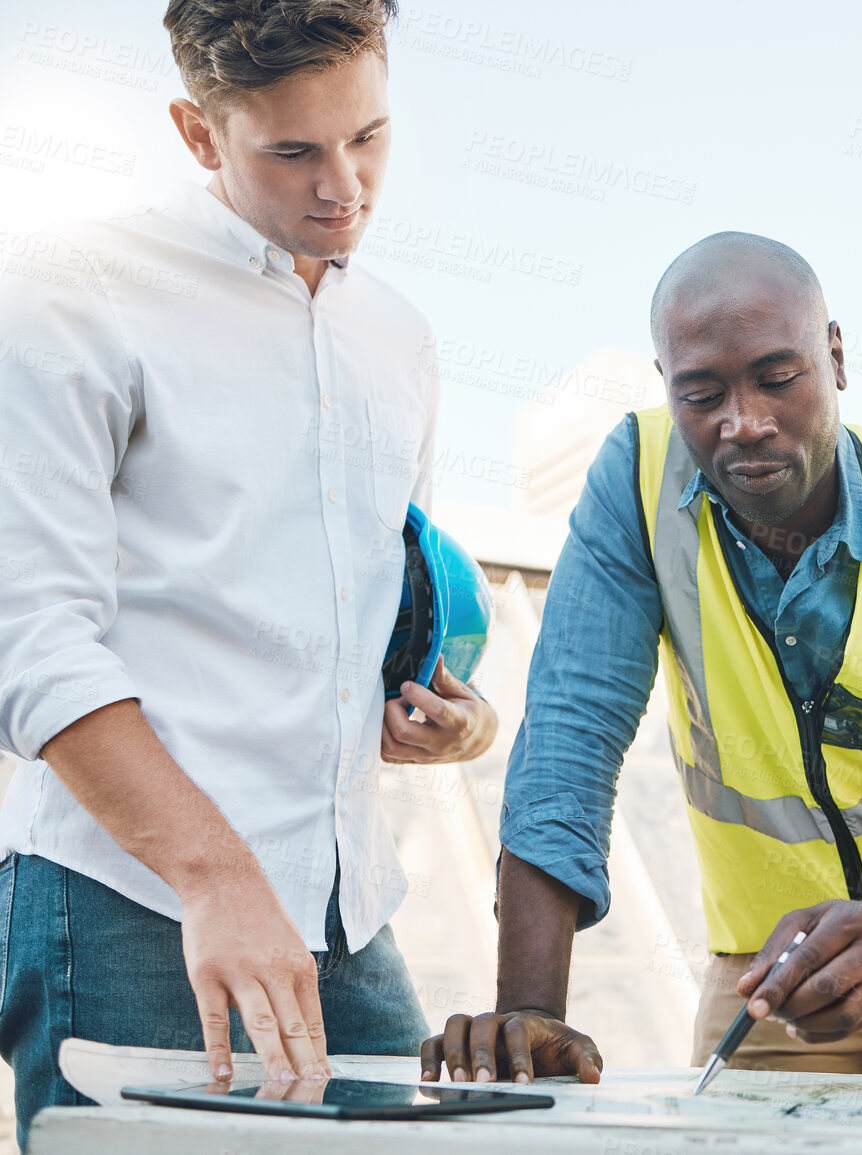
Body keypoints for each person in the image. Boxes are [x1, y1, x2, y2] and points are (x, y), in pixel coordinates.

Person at [423, 232, 862, 1085]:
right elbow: (569, 737)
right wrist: (530, 1012)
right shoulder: (637, 479)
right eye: (700, 393)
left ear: (837, 357)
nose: (743, 422)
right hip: (772, 959)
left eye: (778, 379)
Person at [0, 0, 498, 1142]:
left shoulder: (399, 339)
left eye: (369, 137)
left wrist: (443, 721)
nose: (346, 188)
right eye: (293, 152)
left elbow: (380, 612)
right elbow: (28, 637)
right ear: (195, 132)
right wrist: (214, 875)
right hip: (132, 902)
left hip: (348, 915)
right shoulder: (72, 292)